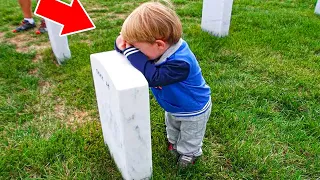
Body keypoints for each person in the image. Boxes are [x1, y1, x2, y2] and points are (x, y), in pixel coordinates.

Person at [114, 1, 212, 167]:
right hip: (173, 104)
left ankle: (189, 153)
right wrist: (121, 46)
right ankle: (173, 142)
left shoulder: (181, 63)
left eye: (136, 49)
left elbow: (154, 77)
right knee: (172, 126)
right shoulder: (159, 50)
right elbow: (140, 57)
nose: (135, 53)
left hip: (193, 109)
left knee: (190, 135)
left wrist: (129, 51)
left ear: (159, 44)